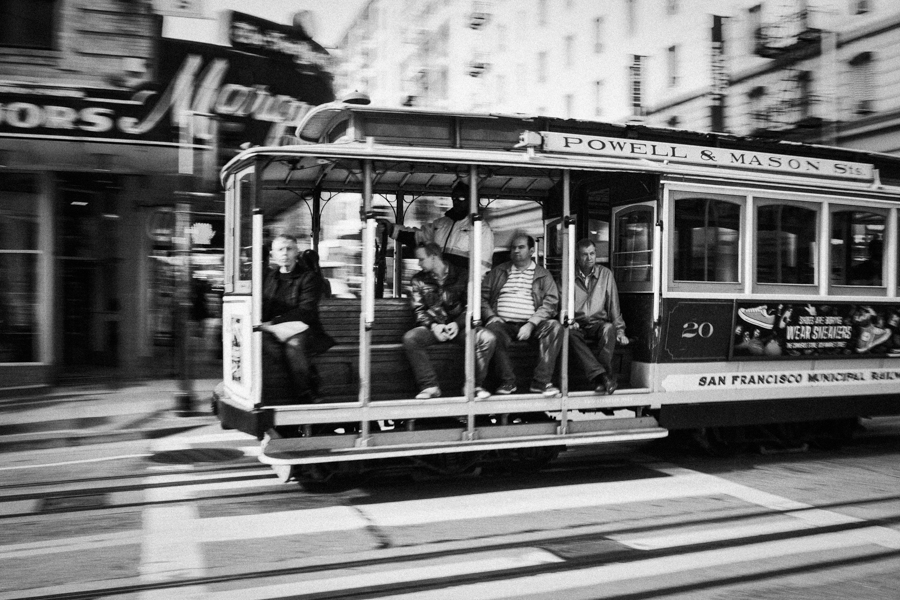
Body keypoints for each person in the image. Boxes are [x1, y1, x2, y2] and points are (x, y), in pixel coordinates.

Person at [403, 243, 496, 399]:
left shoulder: (463, 275)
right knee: (410, 338)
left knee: (488, 338)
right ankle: (430, 386)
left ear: (434, 257)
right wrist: (434, 326)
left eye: (421, 259)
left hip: (459, 327)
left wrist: (457, 324)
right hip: (432, 328)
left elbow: (472, 307)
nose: (419, 264)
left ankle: (474, 385)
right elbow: (419, 310)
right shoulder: (418, 280)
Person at [482, 233, 562, 397]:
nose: (516, 251)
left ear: (532, 250)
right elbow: (481, 297)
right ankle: (508, 382)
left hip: (533, 325)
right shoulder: (499, 271)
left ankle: (541, 382)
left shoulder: (543, 274)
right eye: (513, 248)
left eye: (521, 247)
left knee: (555, 327)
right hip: (503, 324)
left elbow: (551, 302)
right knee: (491, 331)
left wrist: (531, 323)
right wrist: (490, 316)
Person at [258, 234, 334, 404]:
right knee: (259, 343)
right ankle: (277, 389)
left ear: (296, 252)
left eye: (289, 249)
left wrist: (274, 322)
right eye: (280, 249)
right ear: (273, 255)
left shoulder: (308, 278)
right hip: (271, 327)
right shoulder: (268, 277)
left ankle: (306, 391)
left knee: (293, 346)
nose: (284, 253)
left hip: (302, 327)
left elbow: (306, 311)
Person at [379, 181, 494, 272]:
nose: (456, 202)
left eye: (461, 198)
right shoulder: (440, 224)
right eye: (454, 198)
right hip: (437, 282)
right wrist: (391, 229)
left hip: (461, 287)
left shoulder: (481, 228)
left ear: (471, 200)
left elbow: (483, 265)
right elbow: (418, 237)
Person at [570, 238, 629, 395]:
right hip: (577, 325)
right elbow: (561, 306)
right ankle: (604, 377)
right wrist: (570, 321)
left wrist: (620, 330)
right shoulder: (568, 275)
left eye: (592, 253)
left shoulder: (606, 274)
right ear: (577, 256)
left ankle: (600, 378)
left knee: (609, 329)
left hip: (598, 324)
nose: (589, 258)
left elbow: (613, 306)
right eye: (584, 255)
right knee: (569, 333)